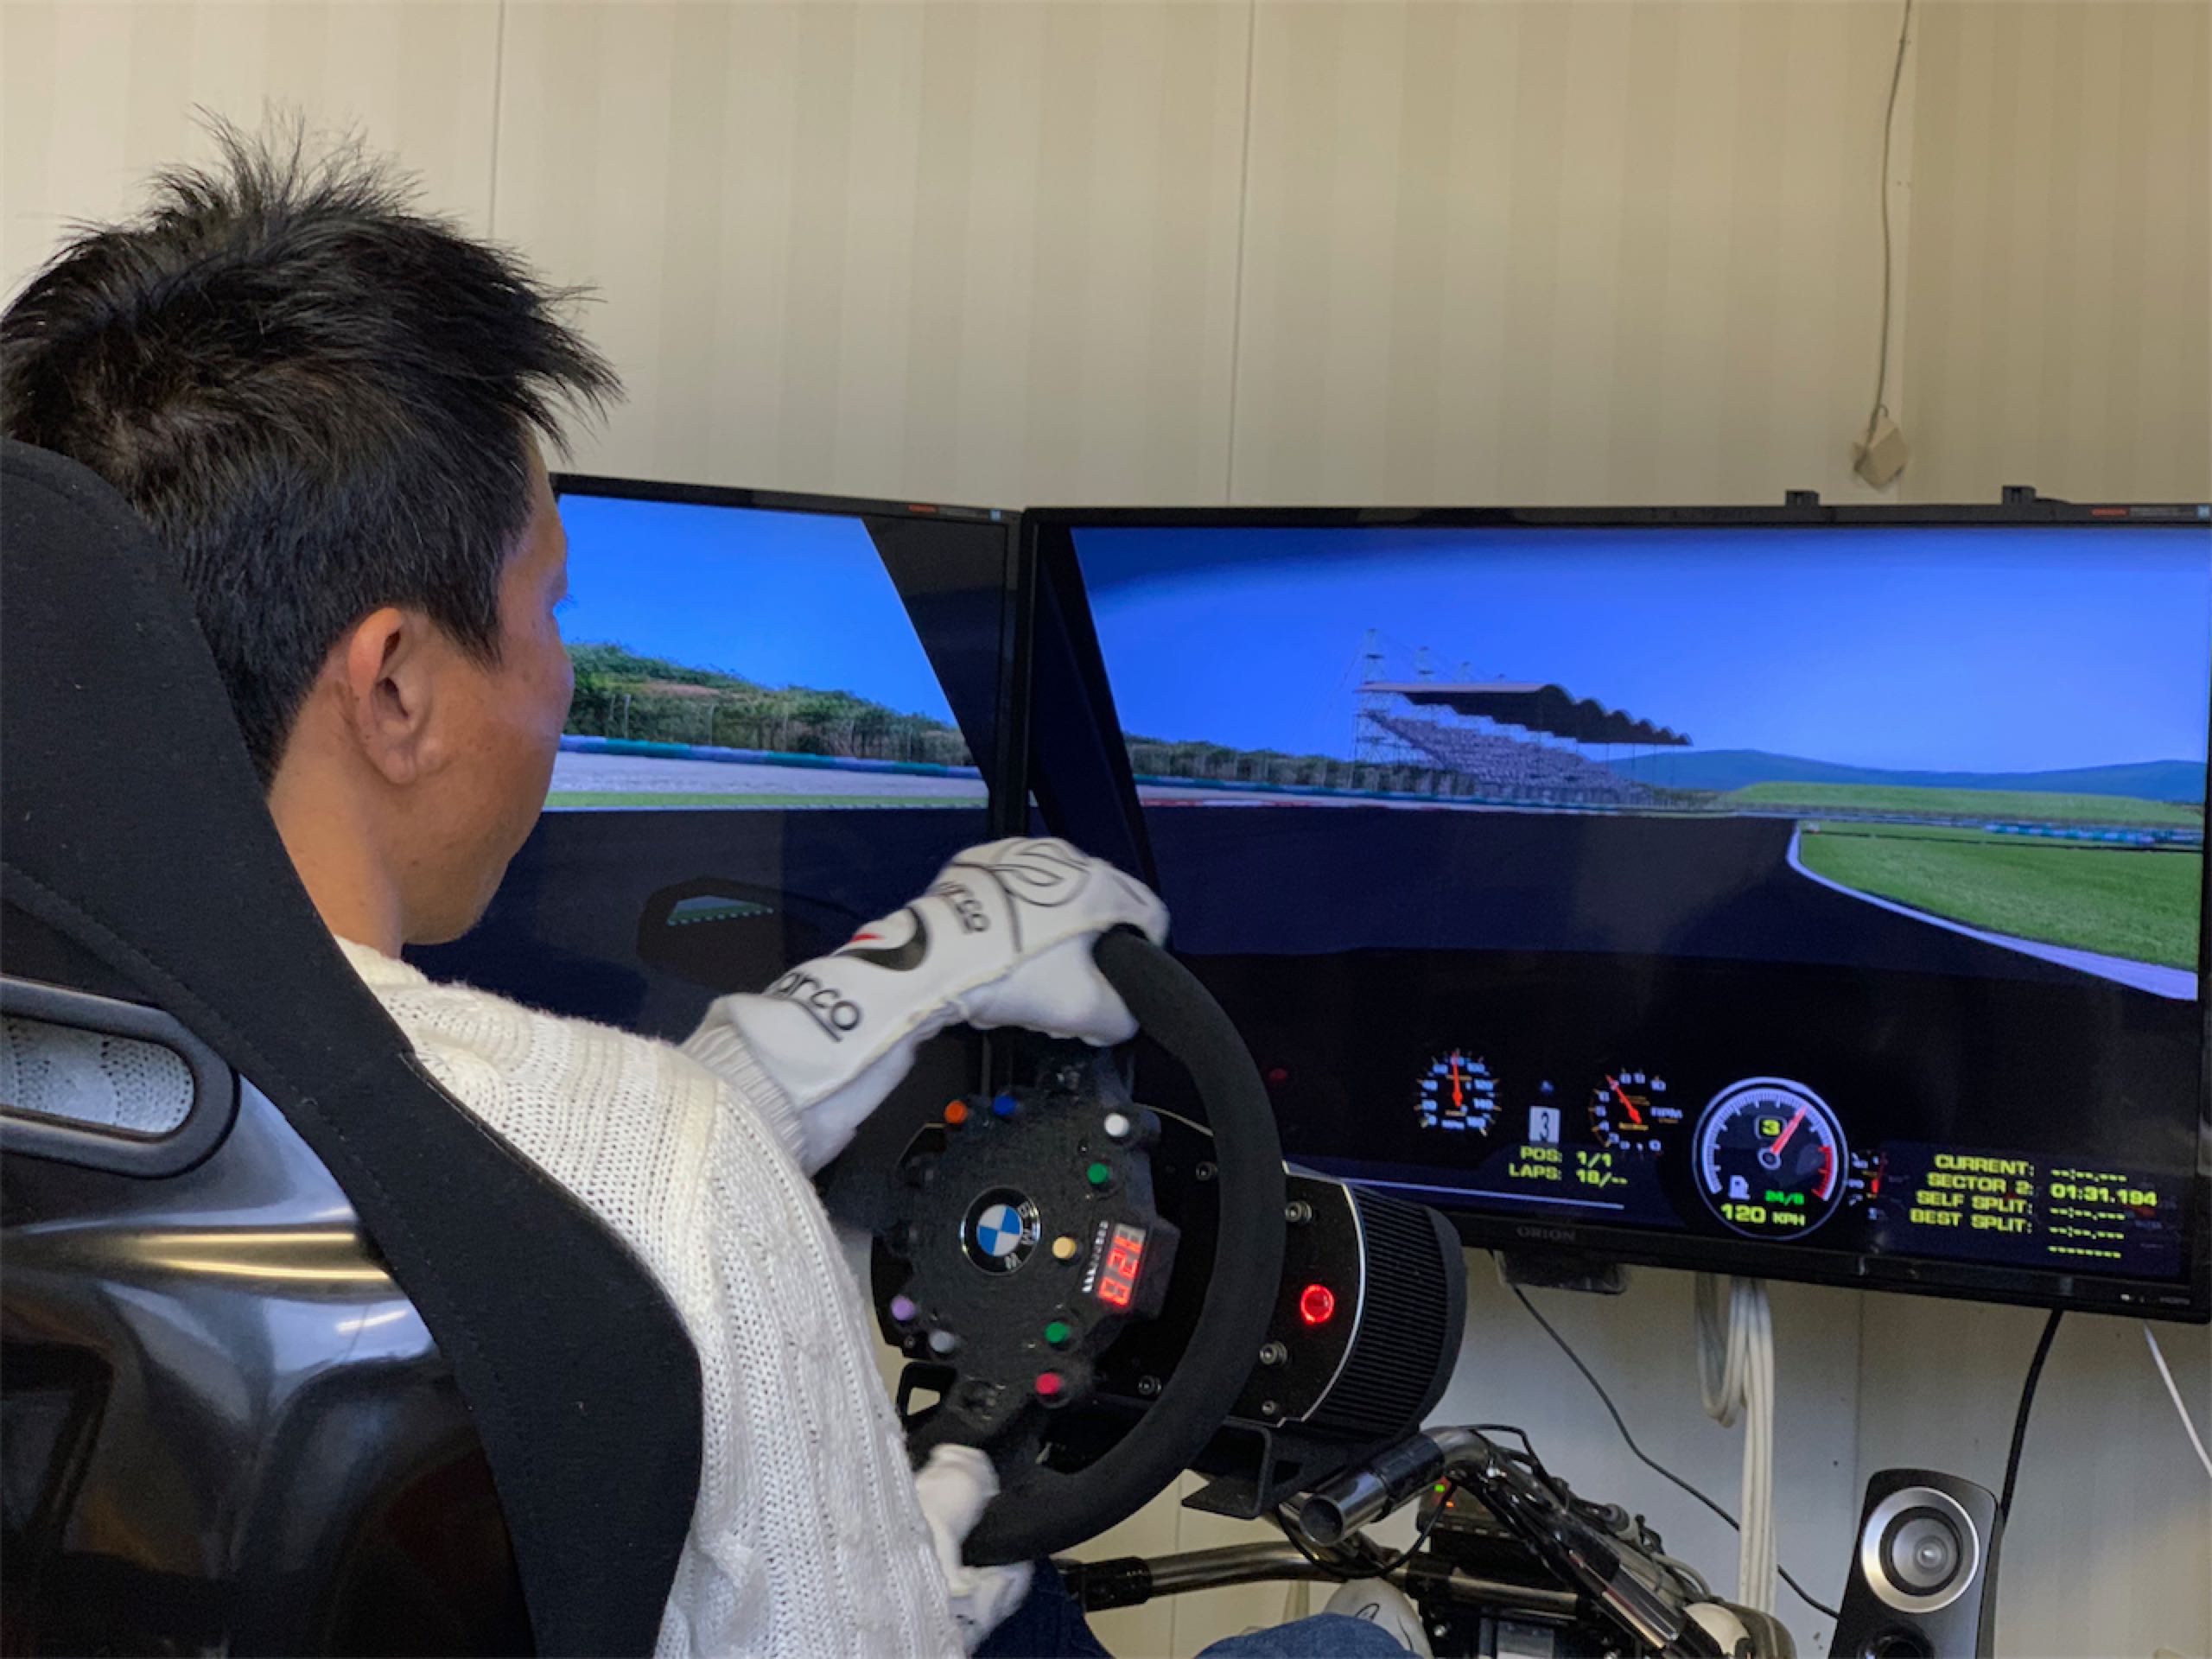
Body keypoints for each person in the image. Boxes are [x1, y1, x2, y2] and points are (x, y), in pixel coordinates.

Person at [2, 125, 1422, 1659]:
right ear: (396, 685)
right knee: (1345, 1645)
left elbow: (497, 1160)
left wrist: (882, 989)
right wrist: (918, 1576)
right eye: (547, 606)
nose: (560, 677)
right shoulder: (671, 1177)